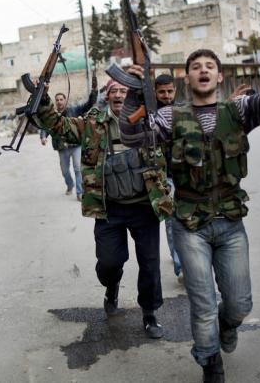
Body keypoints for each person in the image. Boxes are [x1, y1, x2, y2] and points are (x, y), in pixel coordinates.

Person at [119, 16, 260, 382]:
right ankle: (210, 363)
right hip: (189, 224)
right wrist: (136, 90)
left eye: (209, 66)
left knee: (240, 303)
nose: (203, 70)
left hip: (230, 222)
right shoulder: (170, 116)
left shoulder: (239, 110)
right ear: (186, 78)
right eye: (196, 66)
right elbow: (131, 135)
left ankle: (228, 326)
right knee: (202, 306)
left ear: (219, 76)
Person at [35, 80, 173, 339]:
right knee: (109, 263)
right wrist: (42, 99)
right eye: (114, 91)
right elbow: (58, 126)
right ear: (107, 96)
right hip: (109, 209)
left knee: (150, 264)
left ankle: (149, 313)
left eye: (124, 91)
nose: (119, 95)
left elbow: (176, 121)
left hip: (144, 206)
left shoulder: (148, 121)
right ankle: (112, 286)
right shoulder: (92, 124)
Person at [39, 92, 96, 201]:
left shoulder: (74, 110)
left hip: (76, 145)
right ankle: (70, 185)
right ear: (55, 102)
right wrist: (43, 136)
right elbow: (45, 126)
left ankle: (80, 192)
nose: (59, 101)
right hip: (62, 148)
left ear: (65, 100)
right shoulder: (53, 115)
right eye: (57, 100)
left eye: (61, 99)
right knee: (65, 171)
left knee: (78, 168)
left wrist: (94, 90)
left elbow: (89, 104)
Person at [154, 74, 182, 283]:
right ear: (155, 92)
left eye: (170, 91)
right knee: (171, 223)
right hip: (164, 178)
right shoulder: (149, 115)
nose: (166, 95)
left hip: (186, 177)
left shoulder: (184, 111)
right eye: (162, 92)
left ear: (175, 91)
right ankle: (182, 267)